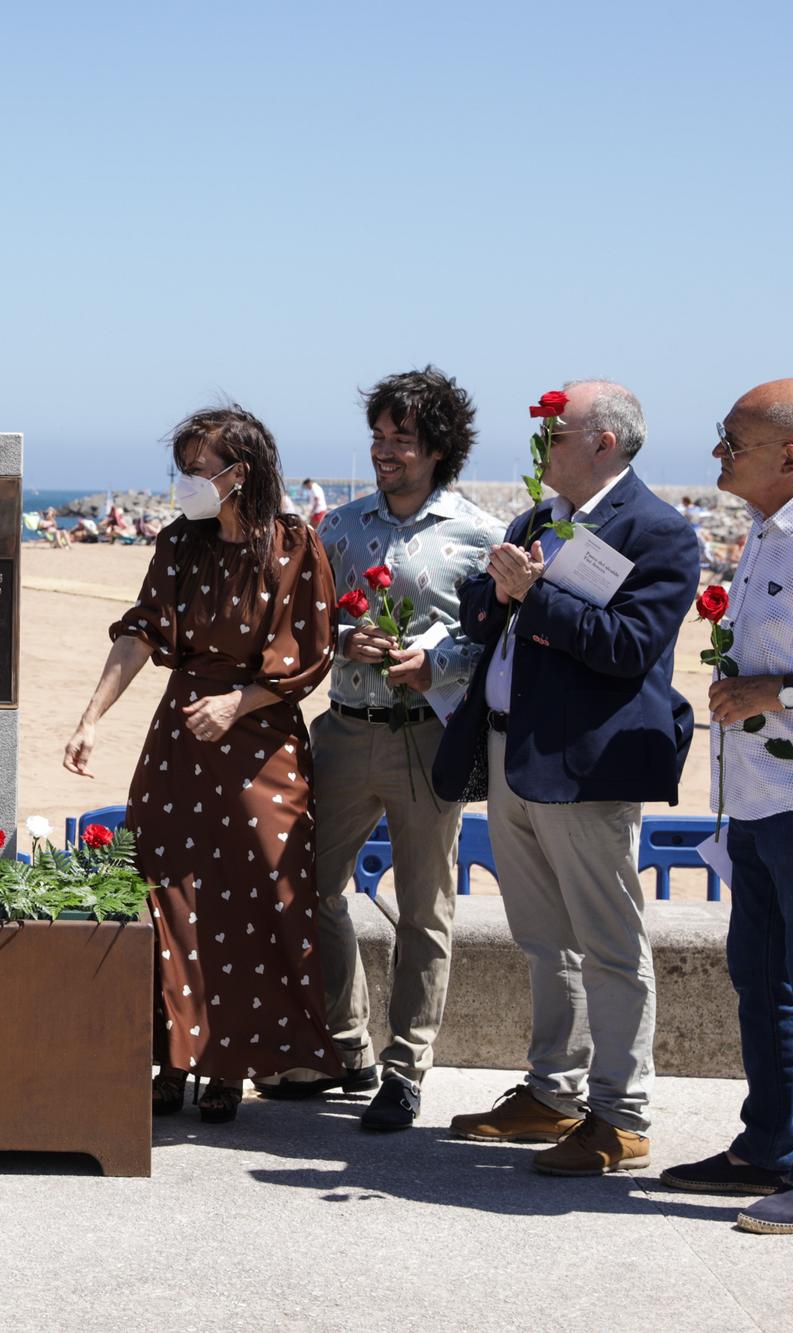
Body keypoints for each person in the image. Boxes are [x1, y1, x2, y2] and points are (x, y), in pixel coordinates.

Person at [433, 379, 698, 1175]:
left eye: (557, 429)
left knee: (609, 942)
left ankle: (622, 1115)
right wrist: (501, 586)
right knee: (545, 939)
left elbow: (627, 648)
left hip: (588, 765)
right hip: (519, 758)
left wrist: (533, 591)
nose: (543, 442)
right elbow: (485, 612)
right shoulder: (539, 520)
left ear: (605, 442)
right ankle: (553, 1091)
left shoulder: (659, 532)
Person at [63, 405, 337, 1123]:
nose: (185, 481)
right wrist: (91, 718)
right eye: (180, 468)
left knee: (253, 899)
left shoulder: (295, 545)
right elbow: (142, 631)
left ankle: (229, 1066)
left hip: (262, 744)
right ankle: (167, 1057)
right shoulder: (179, 543)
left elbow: (308, 655)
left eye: (195, 468)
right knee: (164, 892)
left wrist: (238, 702)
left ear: (236, 473)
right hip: (181, 741)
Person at [658, 379, 793, 1235]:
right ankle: (767, 1145)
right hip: (756, 797)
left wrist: (771, 692)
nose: (717, 454)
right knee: (761, 977)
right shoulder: (768, 529)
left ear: (789, 456)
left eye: (732, 441)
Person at [307, 367, 502, 1130]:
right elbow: (304, 623)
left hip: (430, 738)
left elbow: (492, 643)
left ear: (438, 448)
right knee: (312, 888)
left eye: (402, 439)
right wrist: (337, 634)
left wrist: (436, 664)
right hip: (345, 730)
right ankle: (348, 1043)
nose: (384, 450)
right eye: (379, 436)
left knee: (426, 909)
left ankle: (406, 1067)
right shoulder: (338, 528)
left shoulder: (481, 535)